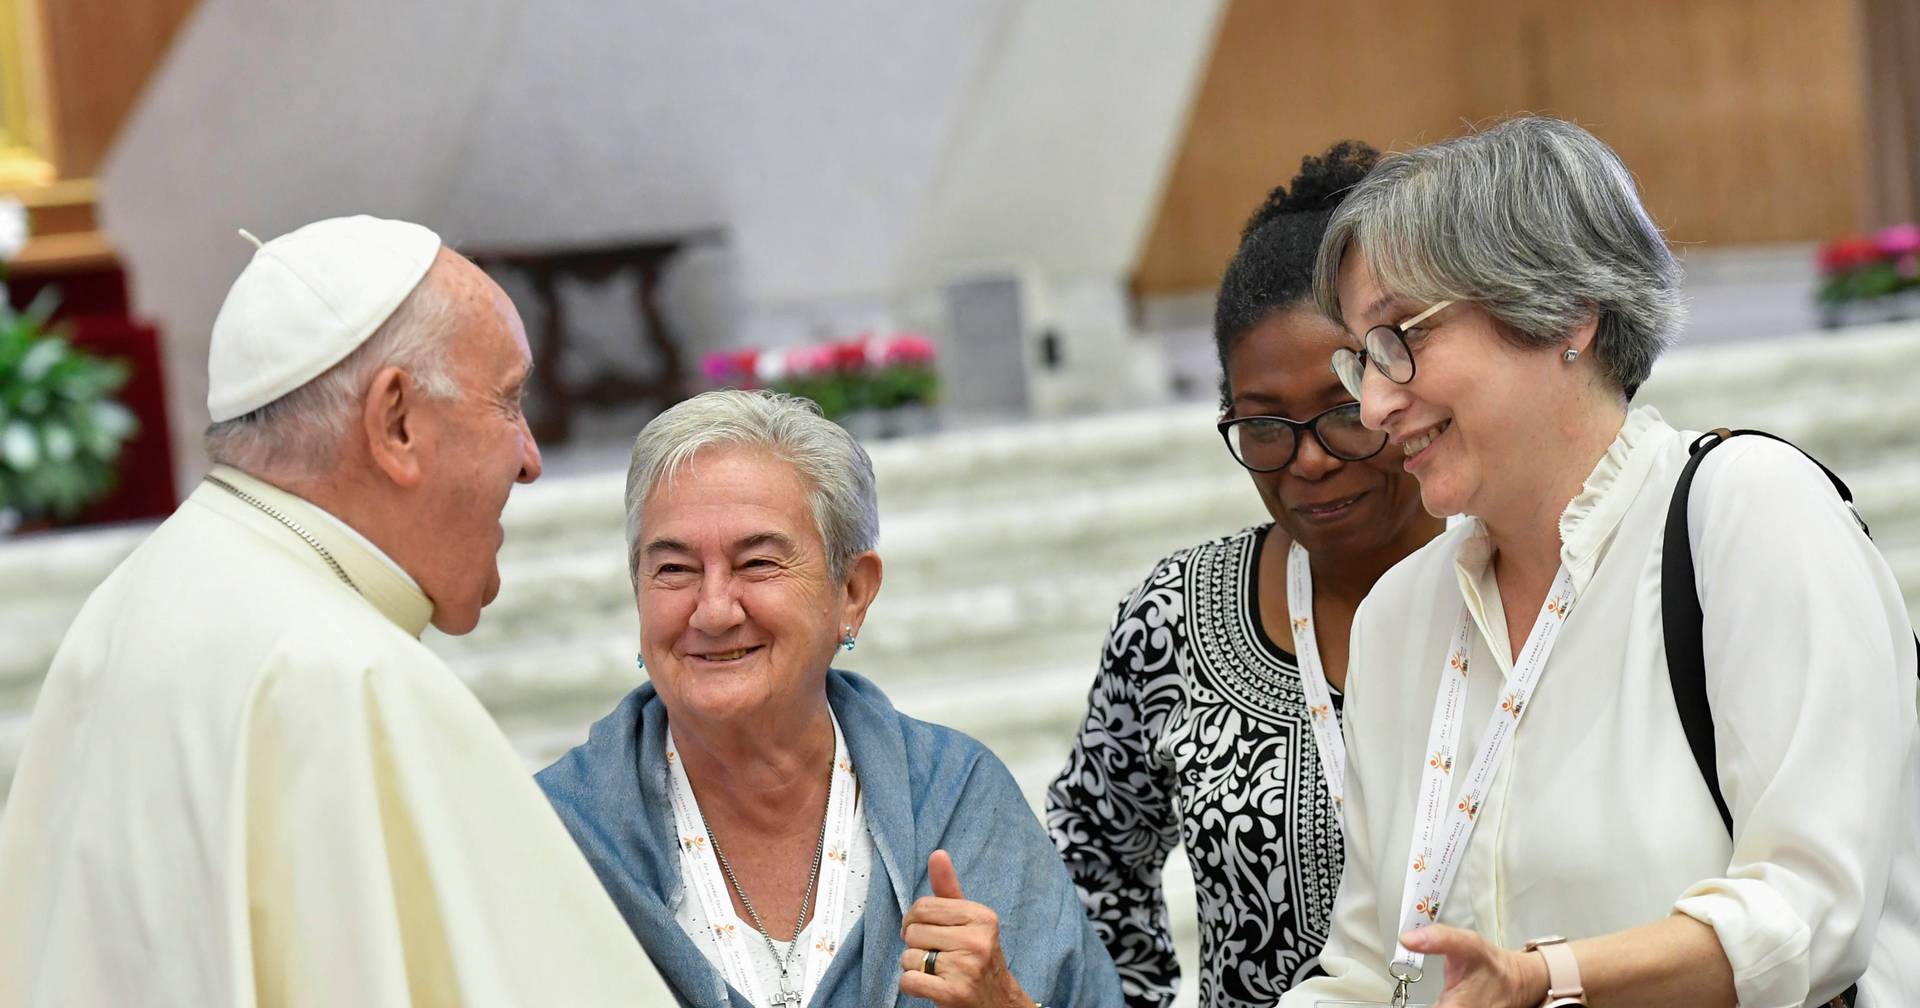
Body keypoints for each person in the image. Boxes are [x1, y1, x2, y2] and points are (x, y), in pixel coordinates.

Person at [1281, 116, 1920, 1008]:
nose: (1377, 404)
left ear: (1566, 314)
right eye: (1362, 360)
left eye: (1401, 339)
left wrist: (1550, 981)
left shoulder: (1746, 511)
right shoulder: (1402, 616)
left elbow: (1811, 912)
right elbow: (1364, 974)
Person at [0, 216, 672, 1005]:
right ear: (395, 423)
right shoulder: (342, 677)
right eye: (508, 401)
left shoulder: (136, 597)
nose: (531, 457)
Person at [536, 389, 1123, 1008]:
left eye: (757, 563)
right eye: (674, 570)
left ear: (853, 592)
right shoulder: (555, 836)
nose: (711, 610)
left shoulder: (956, 801)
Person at [1044, 142, 1446, 1008]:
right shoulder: (1177, 618)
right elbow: (1091, 854)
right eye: (1264, 426)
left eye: (1342, 414)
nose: (1308, 463)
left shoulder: (1520, 578)